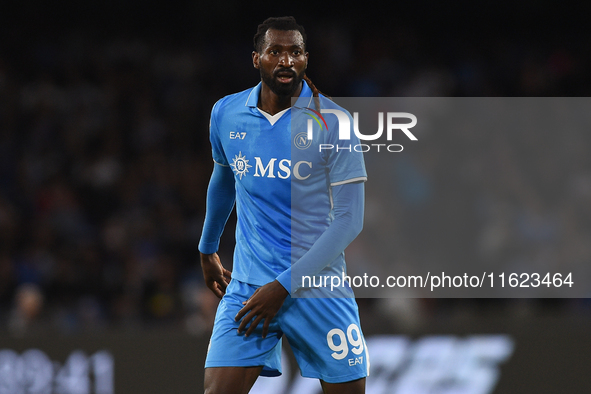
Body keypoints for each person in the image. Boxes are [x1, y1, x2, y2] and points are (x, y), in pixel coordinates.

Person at [198, 16, 369, 394]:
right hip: (248, 286)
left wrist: (283, 286)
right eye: (275, 51)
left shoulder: (334, 123)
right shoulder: (226, 113)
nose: (286, 60)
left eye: (295, 52)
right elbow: (224, 178)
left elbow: (349, 219)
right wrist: (208, 248)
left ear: (306, 59)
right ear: (257, 59)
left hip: (317, 288)